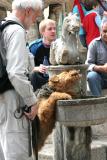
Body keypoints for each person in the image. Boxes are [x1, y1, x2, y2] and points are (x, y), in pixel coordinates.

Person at [0, 0, 43, 160]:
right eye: (35, 17)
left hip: (2, 100)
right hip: (13, 101)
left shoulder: (3, 27)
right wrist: (32, 101)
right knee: (16, 153)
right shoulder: (16, 31)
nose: (33, 22)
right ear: (28, 11)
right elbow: (16, 72)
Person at [29, 19, 56, 91]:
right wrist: (37, 68)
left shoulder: (60, 45)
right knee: (33, 75)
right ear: (42, 32)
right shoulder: (34, 47)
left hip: (56, 77)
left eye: (54, 29)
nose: (53, 31)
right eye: (50, 29)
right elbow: (25, 67)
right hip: (41, 79)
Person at [86, 20, 107, 96]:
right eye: (104, 31)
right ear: (100, 31)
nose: (106, 34)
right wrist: (101, 68)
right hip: (100, 78)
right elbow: (88, 65)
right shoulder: (94, 44)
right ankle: (98, 101)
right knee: (91, 76)